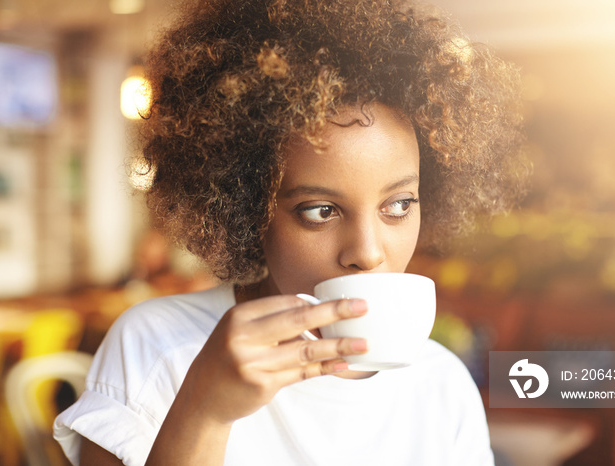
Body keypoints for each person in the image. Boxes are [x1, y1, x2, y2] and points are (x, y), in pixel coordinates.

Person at [54, 0, 526, 464]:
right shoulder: (160, 347)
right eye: (320, 211)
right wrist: (205, 412)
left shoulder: (442, 384)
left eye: (398, 205)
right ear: (245, 208)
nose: (367, 252)